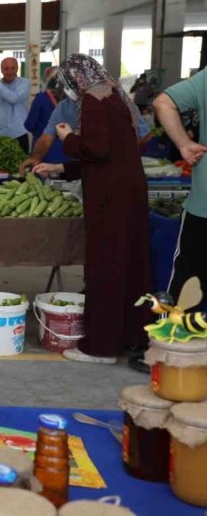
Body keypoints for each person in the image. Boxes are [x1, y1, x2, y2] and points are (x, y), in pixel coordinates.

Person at [33, 53, 150, 364]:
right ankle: (130, 337)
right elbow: (107, 156)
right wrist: (60, 168)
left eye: (67, 82)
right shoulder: (114, 96)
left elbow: (95, 149)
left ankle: (101, 347)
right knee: (128, 268)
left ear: (76, 79)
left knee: (105, 270)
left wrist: (67, 137)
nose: (68, 89)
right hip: (127, 194)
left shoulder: (94, 101)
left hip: (109, 201)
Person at [151, 68, 207, 342]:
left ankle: (170, 349)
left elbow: (163, 102)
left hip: (204, 207)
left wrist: (184, 144)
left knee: (187, 283)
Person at [19, 97, 153, 173]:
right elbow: (46, 139)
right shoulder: (65, 106)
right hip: (91, 172)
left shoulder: (120, 103)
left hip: (120, 175)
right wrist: (42, 161)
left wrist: (120, 153)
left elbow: (144, 136)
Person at [0, 57, 32, 153]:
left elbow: (14, 98)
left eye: (12, 68)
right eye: (6, 69)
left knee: (20, 166)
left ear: (17, 68)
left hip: (18, 134)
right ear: (1, 70)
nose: (10, 72)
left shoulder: (25, 83)